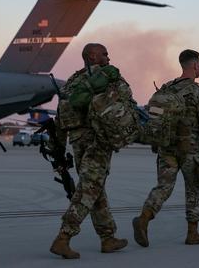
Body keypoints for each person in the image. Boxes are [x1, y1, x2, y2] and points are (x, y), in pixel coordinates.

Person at [49, 43, 132, 259]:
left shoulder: (73, 81)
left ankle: (108, 238)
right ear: (93, 56)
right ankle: (63, 237)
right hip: (98, 139)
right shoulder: (107, 77)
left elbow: (61, 115)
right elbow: (124, 100)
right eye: (105, 53)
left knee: (95, 188)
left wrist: (59, 145)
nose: (108, 56)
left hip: (77, 140)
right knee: (89, 189)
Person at [133, 49, 199, 246]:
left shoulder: (165, 90)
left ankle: (144, 219)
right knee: (194, 188)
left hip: (166, 148)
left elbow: (153, 116)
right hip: (191, 149)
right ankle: (192, 233)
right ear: (195, 65)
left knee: (164, 187)